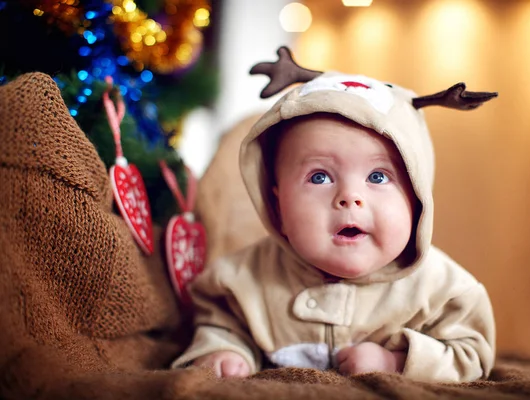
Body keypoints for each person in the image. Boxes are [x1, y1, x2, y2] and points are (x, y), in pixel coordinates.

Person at [172, 48, 497, 382]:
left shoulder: (444, 290)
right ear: (278, 207)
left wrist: (396, 362)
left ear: (416, 200)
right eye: (319, 177)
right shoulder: (240, 280)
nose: (349, 198)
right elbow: (219, 322)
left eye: (378, 177)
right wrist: (225, 350)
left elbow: (471, 354)